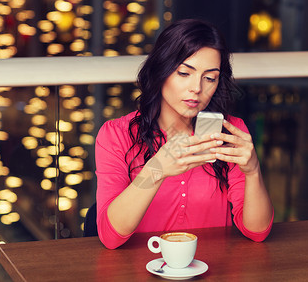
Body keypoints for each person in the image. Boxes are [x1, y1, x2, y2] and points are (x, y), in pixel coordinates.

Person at [95, 19, 274, 249]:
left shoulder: (230, 133)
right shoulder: (116, 135)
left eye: (210, 78)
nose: (197, 88)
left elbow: (257, 232)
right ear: (161, 70)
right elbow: (111, 237)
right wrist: (157, 169)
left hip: (214, 270)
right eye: (184, 73)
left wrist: (253, 171)